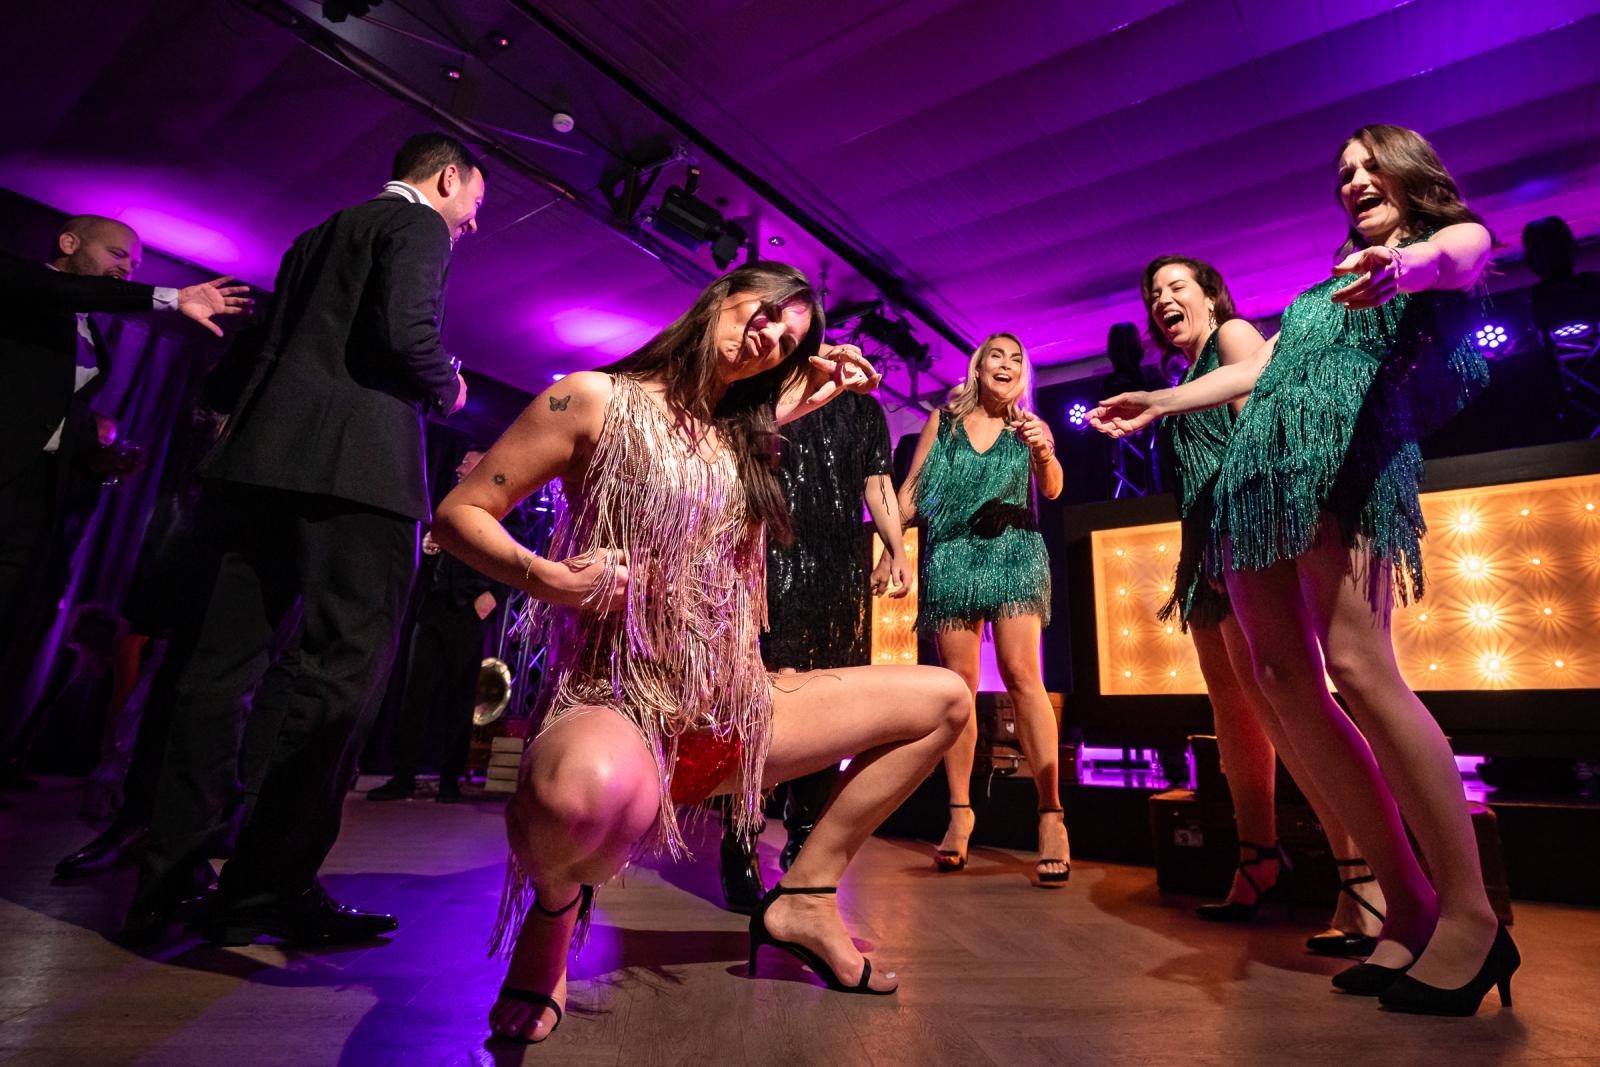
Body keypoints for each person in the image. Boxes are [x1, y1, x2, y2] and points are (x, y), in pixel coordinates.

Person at [431, 261, 969, 1043]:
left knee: (945, 700)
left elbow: (736, 431)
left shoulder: (740, 438)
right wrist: (551, 578)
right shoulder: (593, 398)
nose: (770, 339)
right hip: (624, 704)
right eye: (768, 313)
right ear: (723, 295)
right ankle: (553, 912)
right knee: (573, 800)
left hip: (739, 710)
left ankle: (807, 897)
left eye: (786, 341)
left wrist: (822, 384)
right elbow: (459, 512)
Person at [1093, 124, 1516, 1015]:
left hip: (1349, 461)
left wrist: (1413, 268)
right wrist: (1159, 398)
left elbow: (1466, 249)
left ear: (1412, 175)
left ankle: (1473, 917)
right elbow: (1272, 365)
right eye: (1344, 173)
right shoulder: (1329, 282)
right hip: (1260, 479)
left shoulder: (1423, 250)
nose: (1354, 180)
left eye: (1371, 167)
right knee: (1283, 683)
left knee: (1360, 668)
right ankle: (1406, 905)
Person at [123, 132, 480, 945]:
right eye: (471, 209)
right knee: (341, 675)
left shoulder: (318, 233)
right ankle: (266, 888)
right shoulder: (417, 224)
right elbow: (404, 332)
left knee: (216, 672)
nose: (467, 226)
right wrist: (448, 384)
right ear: (446, 179)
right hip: (358, 473)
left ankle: (165, 882)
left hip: (261, 467)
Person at [1142, 255, 1384, 952]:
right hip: (1205, 555)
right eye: (1154, 293)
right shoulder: (1182, 374)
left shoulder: (1233, 337)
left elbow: (1263, 445)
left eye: (1176, 286)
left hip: (1243, 543)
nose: (1163, 299)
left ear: (1209, 293)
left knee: (1293, 714)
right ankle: (1258, 857)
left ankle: (1361, 875)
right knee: (1238, 717)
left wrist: (1239, 543)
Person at [0, 216, 248, 775]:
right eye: (117, 255)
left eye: (135, 265)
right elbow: (60, 291)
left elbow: (59, 411)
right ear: (68, 243)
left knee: (19, 627)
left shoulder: (89, 324)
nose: (126, 268)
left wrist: (96, 461)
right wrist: (168, 296)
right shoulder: (21, 281)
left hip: (41, 501)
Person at [718, 388, 910, 913]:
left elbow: (878, 485)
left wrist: (895, 547)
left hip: (839, 568)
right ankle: (739, 840)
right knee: (764, 704)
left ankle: (803, 839)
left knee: (831, 699)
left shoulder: (865, 410)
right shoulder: (769, 396)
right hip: (772, 556)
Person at [896, 333, 1068, 887]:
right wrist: (889, 547)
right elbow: (910, 496)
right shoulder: (942, 423)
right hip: (949, 555)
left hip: (1013, 550)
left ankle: (1052, 818)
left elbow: (1055, 488)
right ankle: (960, 815)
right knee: (958, 686)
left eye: (1018, 358)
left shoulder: (1027, 427)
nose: (1008, 363)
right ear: (978, 366)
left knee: (1023, 676)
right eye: (997, 354)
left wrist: (1044, 449)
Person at [368, 449, 503, 803]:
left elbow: (513, 554)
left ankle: (449, 781)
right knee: (415, 693)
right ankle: (403, 776)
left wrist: (493, 596)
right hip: (434, 608)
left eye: (466, 462)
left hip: (469, 611)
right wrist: (428, 548)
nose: (459, 467)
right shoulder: (447, 499)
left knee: (459, 699)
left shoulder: (499, 502)